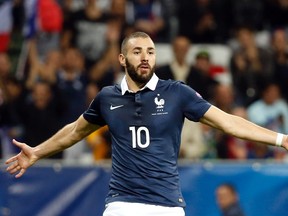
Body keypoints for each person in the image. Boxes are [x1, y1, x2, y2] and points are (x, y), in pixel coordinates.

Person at [5, 32, 288, 216]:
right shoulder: (107, 98)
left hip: (167, 206)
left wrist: (280, 139)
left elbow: (227, 122)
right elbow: (75, 131)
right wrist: (38, 152)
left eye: (151, 52)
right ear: (122, 58)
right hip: (121, 204)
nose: (145, 57)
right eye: (138, 51)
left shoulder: (177, 93)